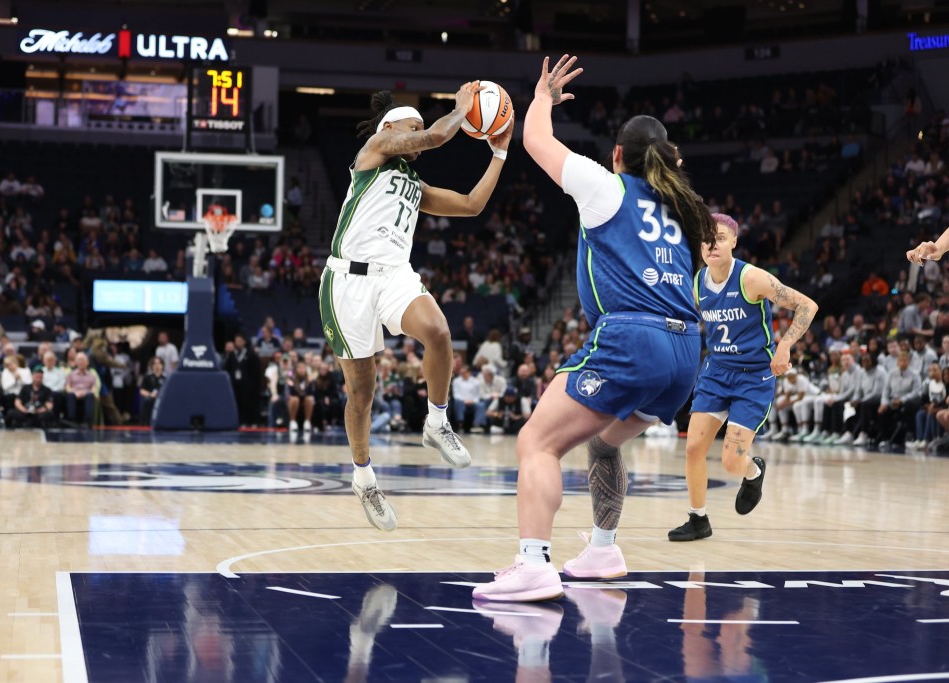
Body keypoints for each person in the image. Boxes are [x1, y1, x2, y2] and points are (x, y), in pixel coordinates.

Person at [473, 55, 715, 602]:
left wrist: (542, 99)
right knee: (606, 445)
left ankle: (533, 563)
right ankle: (603, 548)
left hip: (634, 339)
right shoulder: (684, 210)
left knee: (537, 441)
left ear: (617, 156)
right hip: (684, 356)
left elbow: (536, 141)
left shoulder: (609, 187)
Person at [319, 82, 512, 532]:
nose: (420, 136)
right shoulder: (375, 149)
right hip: (347, 281)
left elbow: (471, 204)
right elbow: (437, 137)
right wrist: (462, 109)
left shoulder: (413, 183)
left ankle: (437, 422)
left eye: (421, 128)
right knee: (361, 395)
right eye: (414, 127)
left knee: (440, 332)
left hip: (394, 276)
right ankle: (364, 477)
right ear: (392, 128)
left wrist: (498, 153)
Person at [668, 213, 817, 541]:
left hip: (753, 377)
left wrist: (786, 345)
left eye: (720, 238)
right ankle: (698, 519)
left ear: (734, 241)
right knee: (693, 447)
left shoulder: (752, 279)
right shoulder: (697, 282)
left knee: (732, 462)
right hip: (717, 372)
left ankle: (754, 471)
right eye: (707, 239)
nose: (712, 244)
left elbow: (807, 305)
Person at [139, 357, 166, 425]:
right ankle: (145, 423)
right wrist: (150, 394)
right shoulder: (147, 378)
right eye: (155, 364)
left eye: (159, 363)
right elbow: (142, 391)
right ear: (152, 366)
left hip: (161, 399)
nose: (157, 365)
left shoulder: (166, 379)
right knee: (147, 400)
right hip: (150, 398)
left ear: (162, 366)